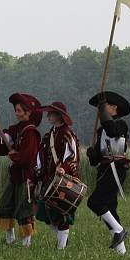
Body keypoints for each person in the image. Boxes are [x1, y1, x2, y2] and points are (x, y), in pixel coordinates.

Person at [0, 93, 42, 247]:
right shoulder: (15, 130)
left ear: (28, 112)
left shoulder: (31, 133)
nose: (16, 113)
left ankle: (26, 243)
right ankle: (10, 239)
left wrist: (15, 156)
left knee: (24, 210)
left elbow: (28, 158)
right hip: (15, 176)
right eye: (16, 110)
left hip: (27, 177)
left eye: (19, 110)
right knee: (5, 206)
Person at [85, 90, 130, 255]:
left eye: (103, 107)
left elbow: (112, 131)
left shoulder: (120, 124)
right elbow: (97, 159)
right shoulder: (99, 131)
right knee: (110, 208)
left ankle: (119, 230)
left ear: (114, 108)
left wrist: (102, 106)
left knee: (94, 202)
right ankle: (122, 251)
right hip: (104, 170)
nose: (100, 111)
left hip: (116, 169)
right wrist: (92, 155)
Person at [36, 101, 80, 249]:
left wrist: (64, 169)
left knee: (62, 215)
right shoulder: (49, 134)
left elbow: (72, 156)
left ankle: (61, 249)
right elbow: (41, 155)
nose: (48, 115)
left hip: (63, 180)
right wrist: (39, 171)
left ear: (59, 116)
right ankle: (64, 240)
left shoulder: (67, 133)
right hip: (49, 179)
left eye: (51, 113)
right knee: (45, 215)